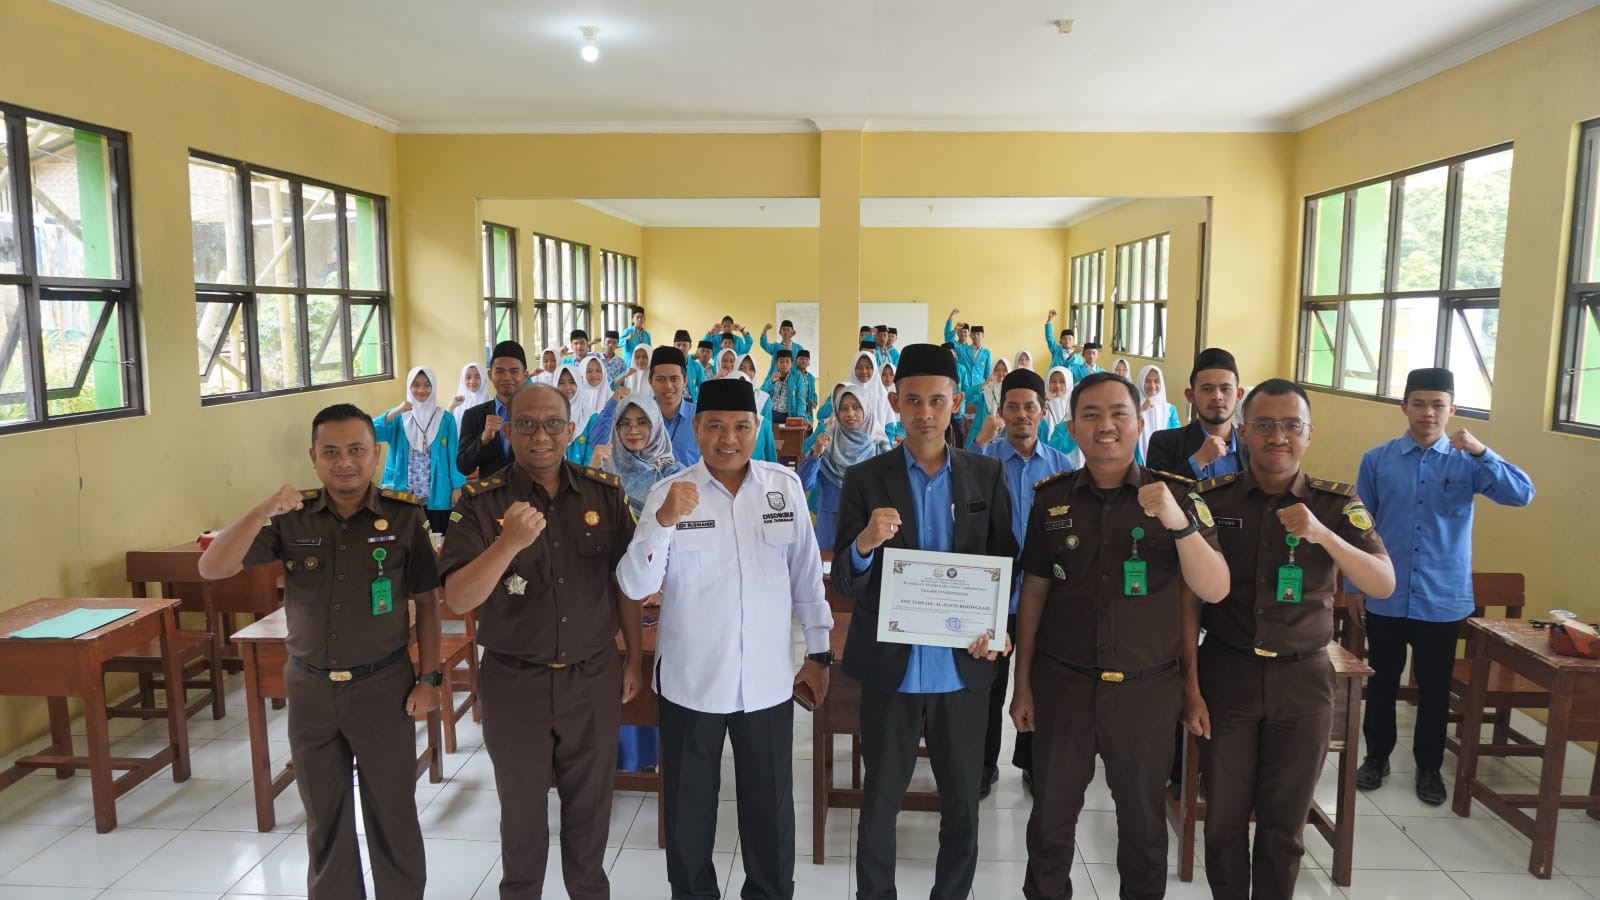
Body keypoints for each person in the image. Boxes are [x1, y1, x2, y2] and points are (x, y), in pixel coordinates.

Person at [198, 404, 442, 899]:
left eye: (356, 450)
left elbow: (428, 602)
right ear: (313, 457)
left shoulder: (403, 515)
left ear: (376, 454)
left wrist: (429, 678)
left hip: (383, 688)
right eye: (330, 452)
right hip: (310, 691)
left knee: (392, 814)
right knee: (323, 818)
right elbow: (212, 567)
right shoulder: (291, 518)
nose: (344, 462)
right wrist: (262, 508)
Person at [1010, 372, 1230, 900]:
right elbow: (1034, 593)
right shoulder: (1051, 499)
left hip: (1146, 692)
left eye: (1118, 414)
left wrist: (1191, 688)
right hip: (1063, 686)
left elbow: (1210, 592)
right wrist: (1022, 685)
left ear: (1139, 423)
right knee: (1050, 822)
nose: (1105, 426)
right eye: (1091, 415)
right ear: (1072, 427)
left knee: (1143, 825)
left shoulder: (1179, 496)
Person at [616, 377, 833, 900]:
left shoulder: (784, 487)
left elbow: (806, 577)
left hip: (766, 683)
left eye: (740, 426)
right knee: (688, 814)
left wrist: (820, 652)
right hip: (691, 684)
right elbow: (635, 584)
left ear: (757, 428)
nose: (728, 438)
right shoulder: (669, 493)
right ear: (697, 428)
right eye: (715, 426)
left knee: (770, 811)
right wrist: (662, 523)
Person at [1185, 379, 1393, 899]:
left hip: (1303, 681)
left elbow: (1382, 583)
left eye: (1291, 425)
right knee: (1223, 824)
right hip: (1227, 675)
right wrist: (1190, 687)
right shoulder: (1211, 499)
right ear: (1243, 432)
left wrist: (1324, 535)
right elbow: (1187, 604)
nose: (1278, 436)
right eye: (1264, 425)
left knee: (1284, 829)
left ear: (1309, 434)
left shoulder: (1336, 504)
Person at [438, 383, 640, 900]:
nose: (540, 436)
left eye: (552, 424)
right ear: (508, 431)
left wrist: (634, 659)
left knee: (590, 811)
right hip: (515, 682)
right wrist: (507, 543)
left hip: (592, 676)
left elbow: (627, 584)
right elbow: (458, 598)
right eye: (526, 424)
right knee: (522, 813)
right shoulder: (480, 502)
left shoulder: (604, 493)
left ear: (571, 430)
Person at [831, 343, 1018, 900]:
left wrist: (999, 629)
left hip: (963, 670)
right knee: (879, 805)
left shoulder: (986, 475)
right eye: (912, 400)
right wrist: (866, 542)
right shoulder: (865, 478)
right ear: (894, 403)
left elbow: (1004, 560)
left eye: (937, 400)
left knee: (962, 807)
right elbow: (845, 580)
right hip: (892, 670)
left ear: (956, 402)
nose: (925, 413)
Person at [1354, 366, 1535, 805]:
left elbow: (1522, 494)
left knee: (1435, 689)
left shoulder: (1468, 461)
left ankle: (1429, 768)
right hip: (1387, 592)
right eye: (1419, 403)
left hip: (1442, 597)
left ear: (1452, 410)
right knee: (1381, 682)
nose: (1428, 413)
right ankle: (1375, 758)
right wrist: (1355, 586)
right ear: (1404, 407)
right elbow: (1360, 526)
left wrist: (1482, 451)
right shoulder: (1377, 460)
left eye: (1438, 405)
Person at [968, 369, 1072, 797]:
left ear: (1043, 411)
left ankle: (1032, 762)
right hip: (994, 594)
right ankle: (982, 765)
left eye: (1030, 406)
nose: (1022, 414)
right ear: (1002, 411)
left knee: (1042, 682)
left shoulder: (1062, 467)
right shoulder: (985, 460)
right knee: (988, 685)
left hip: (1045, 595)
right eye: (1013, 407)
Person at [374, 367, 467, 533]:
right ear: (409, 387)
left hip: (437, 492)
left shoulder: (446, 418)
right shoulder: (399, 418)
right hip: (404, 491)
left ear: (433, 387)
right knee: (404, 536)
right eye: (415, 385)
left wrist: (458, 486)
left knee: (437, 536)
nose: (421, 390)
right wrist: (396, 411)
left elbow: (454, 455)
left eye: (427, 385)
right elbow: (371, 432)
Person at [798, 385, 889, 548]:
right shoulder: (826, 443)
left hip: (866, 520)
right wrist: (816, 454)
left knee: (862, 561)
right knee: (828, 563)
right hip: (830, 523)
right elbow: (803, 483)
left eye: (856, 407)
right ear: (837, 412)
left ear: (866, 409)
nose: (850, 413)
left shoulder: (878, 448)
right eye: (843, 408)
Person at [1145, 347, 1246, 481]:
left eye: (1225, 389)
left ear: (1238, 395)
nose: (1217, 396)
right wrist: (1198, 461)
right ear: (1190, 396)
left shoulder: (1252, 445)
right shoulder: (1165, 443)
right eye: (1207, 389)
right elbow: (1155, 491)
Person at [458, 340, 527, 478]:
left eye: (514, 371)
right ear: (490, 375)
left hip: (529, 490)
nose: (507, 377)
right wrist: (483, 439)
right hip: (489, 491)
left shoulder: (537, 414)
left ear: (525, 376)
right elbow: (463, 466)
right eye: (500, 371)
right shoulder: (473, 415)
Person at [558, 358, 610, 466]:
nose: (567, 387)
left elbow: (591, 456)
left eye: (572, 382)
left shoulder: (590, 417)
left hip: (582, 473)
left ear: (579, 383)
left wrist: (583, 475)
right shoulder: (550, 416)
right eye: (561, 383)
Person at [1136, 365, 1182, 464]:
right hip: (1137, 461)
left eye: (1156, 381)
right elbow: (1126, 428)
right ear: (1141, 382)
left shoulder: (1170, 410)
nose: (1152, 385)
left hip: (1163, 460)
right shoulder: (1132, 405)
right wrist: (1141, 410)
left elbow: (1178, 435)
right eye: (1147, 381)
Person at [1040, 366, 1084, 468]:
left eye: (1062, 381)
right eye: (1053, 381)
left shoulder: (1076, 405)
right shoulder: (1042, 407)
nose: (1057, 385)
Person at [963, 356, 1010, 449]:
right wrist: (984, 384)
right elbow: (967, 396)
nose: (1001, 373)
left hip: (1002, 440)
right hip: (980, 438)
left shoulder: (1011, 394)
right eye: (996, 370)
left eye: (1004, 370)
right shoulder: (985, 393)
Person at [449, 362, 489, 432]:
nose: (472, 381)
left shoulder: (490, 402)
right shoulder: (457, 402)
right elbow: (447, 427)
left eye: (477, 377)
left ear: (483, 379)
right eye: (468, 377)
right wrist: (451, 407)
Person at [791, 349, 819, 428]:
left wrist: (814, 401)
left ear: (809, 363)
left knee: (808, 430)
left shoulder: (811, 378)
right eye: (801, 359)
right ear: (796, 361)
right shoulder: (792, 375)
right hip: (795, 409)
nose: (804, 361)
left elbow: (813, 392)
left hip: (807, 411)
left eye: (806, 359)